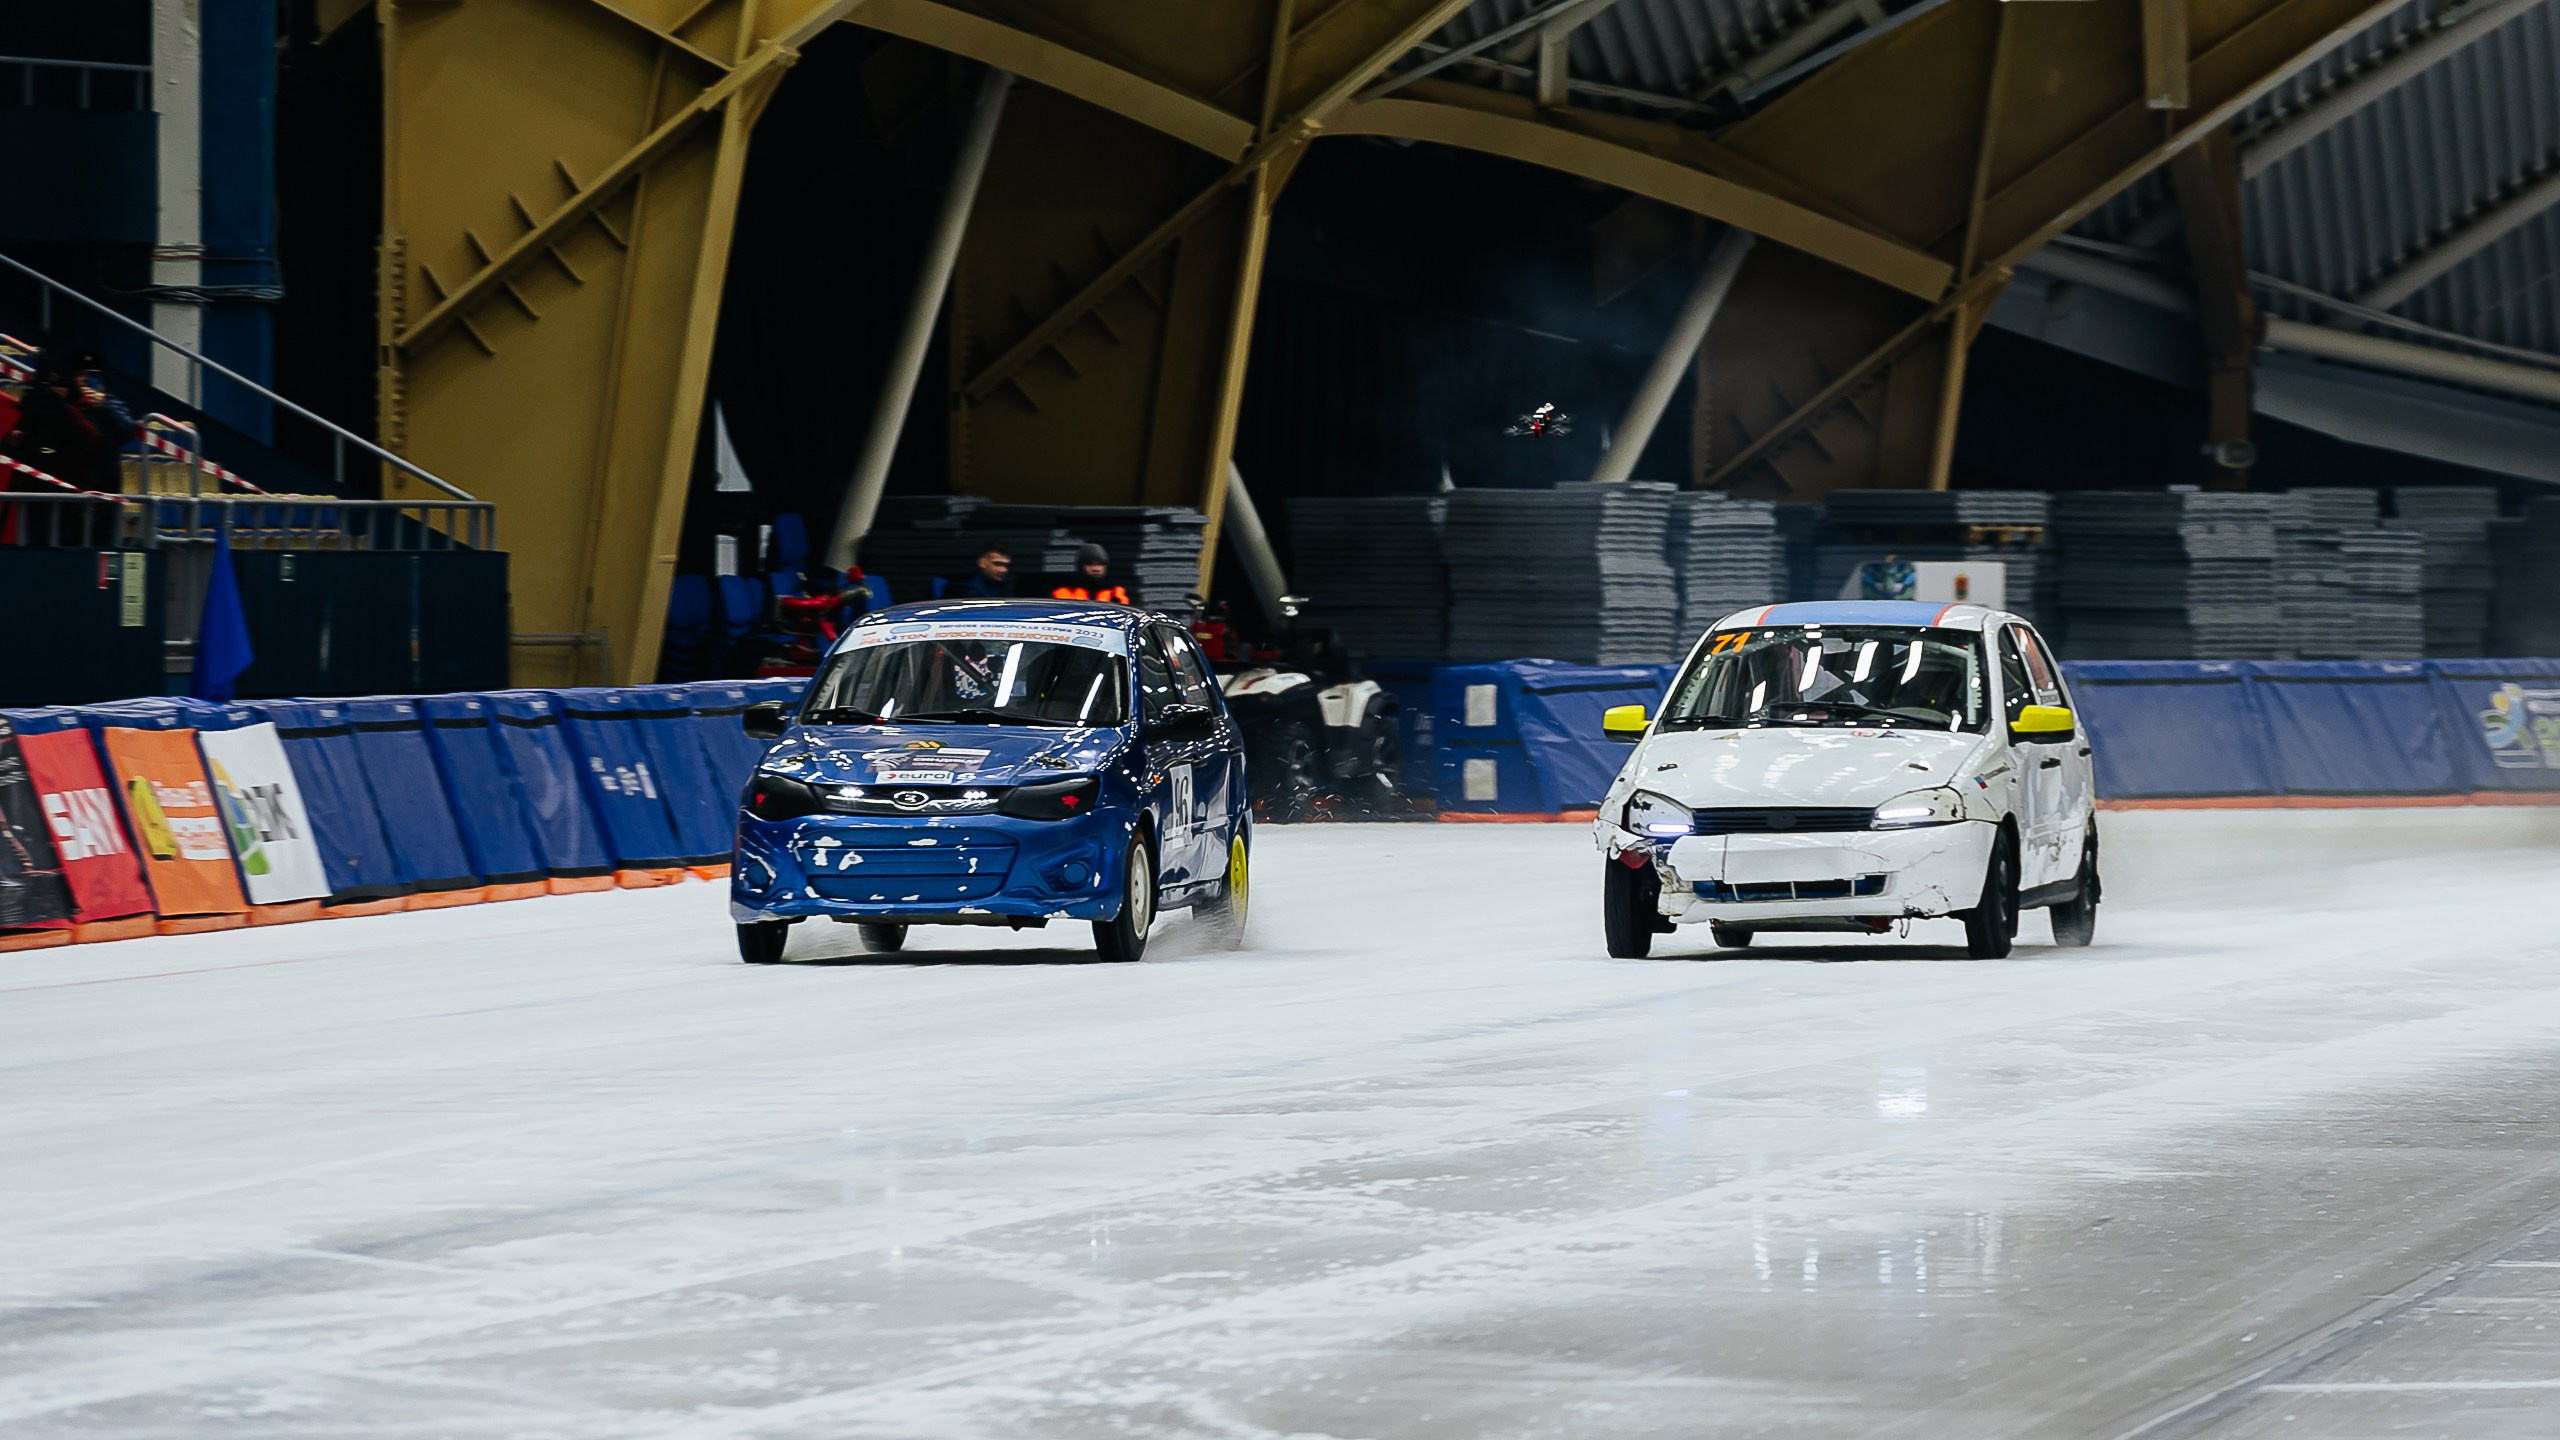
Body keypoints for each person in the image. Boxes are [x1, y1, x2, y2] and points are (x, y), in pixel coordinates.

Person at [2, 352, 138, 493]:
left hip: (98, 487)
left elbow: (124, 432)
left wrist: (102, 407)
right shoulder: (52, 402)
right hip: (45, 489)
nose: (84, 380)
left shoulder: (105, 404)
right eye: (79, 374)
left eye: (90, 375)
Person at [1048, 542, 1131, 605]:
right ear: (1081, 566)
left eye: (1100, 564)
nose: (1096, 569)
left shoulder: (1116, 591)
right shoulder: (1063, 591)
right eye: (1090, 564)